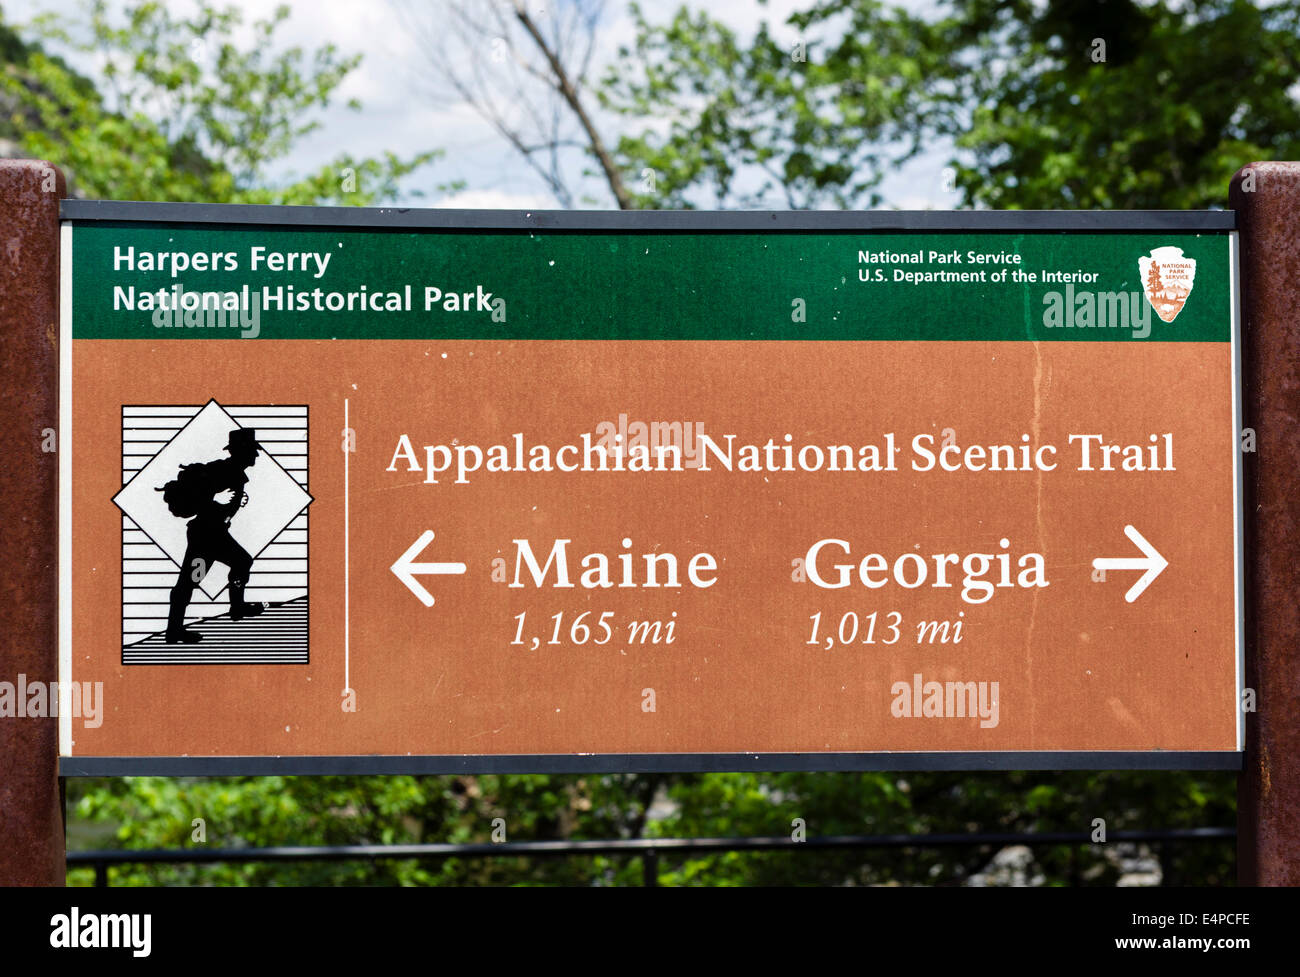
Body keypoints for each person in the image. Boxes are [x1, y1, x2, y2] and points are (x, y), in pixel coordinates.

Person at [164, 428, 265, 643]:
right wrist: (216, 500)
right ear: (241, 452)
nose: (256, 455)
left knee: (241, 562)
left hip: (216, 533)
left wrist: (230, 505)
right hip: (206, 536)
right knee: (190, 581)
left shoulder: (235, 472)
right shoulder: (221, 470)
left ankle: (237, 608)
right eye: (252, 451)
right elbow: (197, 494)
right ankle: (174, 631)